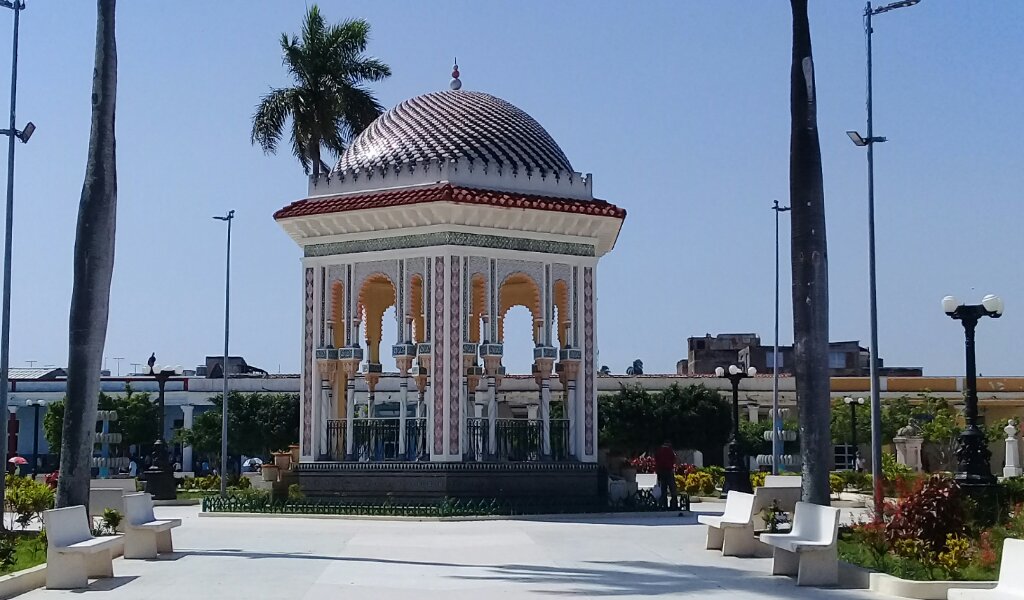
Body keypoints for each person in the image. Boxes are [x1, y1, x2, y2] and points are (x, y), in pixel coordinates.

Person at [654, 441, 679, 510]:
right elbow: (673, 458)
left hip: (660, 471)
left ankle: (663, 504)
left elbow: (656, 459)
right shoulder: (670, 450)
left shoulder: (659, 450)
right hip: (669, 470)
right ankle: (674, 504)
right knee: (672, 488)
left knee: (663, 488)